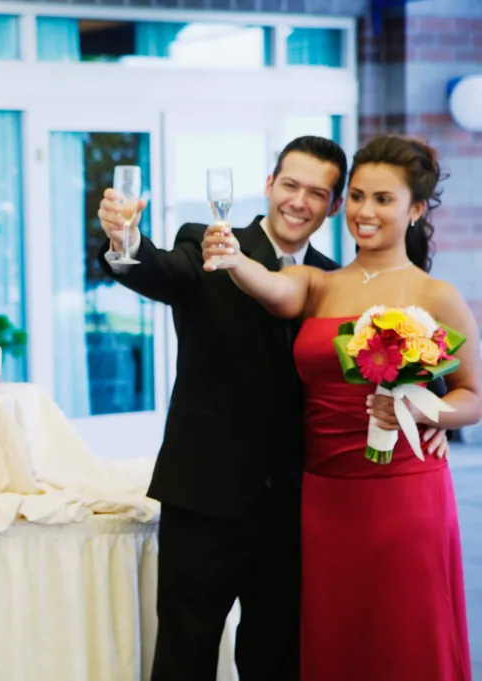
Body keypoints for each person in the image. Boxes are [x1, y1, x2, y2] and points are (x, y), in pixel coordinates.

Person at [95, 135, 449, 681]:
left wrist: (430, 418)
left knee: (279, 660)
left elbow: (415, 370)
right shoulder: (210, 244)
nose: (298, 201)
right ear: (269, 184)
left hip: (301, 507)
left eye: (318, 192)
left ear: (334, 205)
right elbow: (159, 270)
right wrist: (125, 240)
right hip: (206, 496)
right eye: (289, 184)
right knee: (184, 656)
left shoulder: (337, 279)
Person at [201, 134, 478, 680]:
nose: (363, 211)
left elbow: (473, 396)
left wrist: (426, 413)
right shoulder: (317, 282)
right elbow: (271, 289)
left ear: (416, 209)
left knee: (402, 631)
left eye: (382, 199)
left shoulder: (435, 295)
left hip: (405, 491)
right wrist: (234, 259)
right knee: (336, 630)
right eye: (355, 196)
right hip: (325, 493)